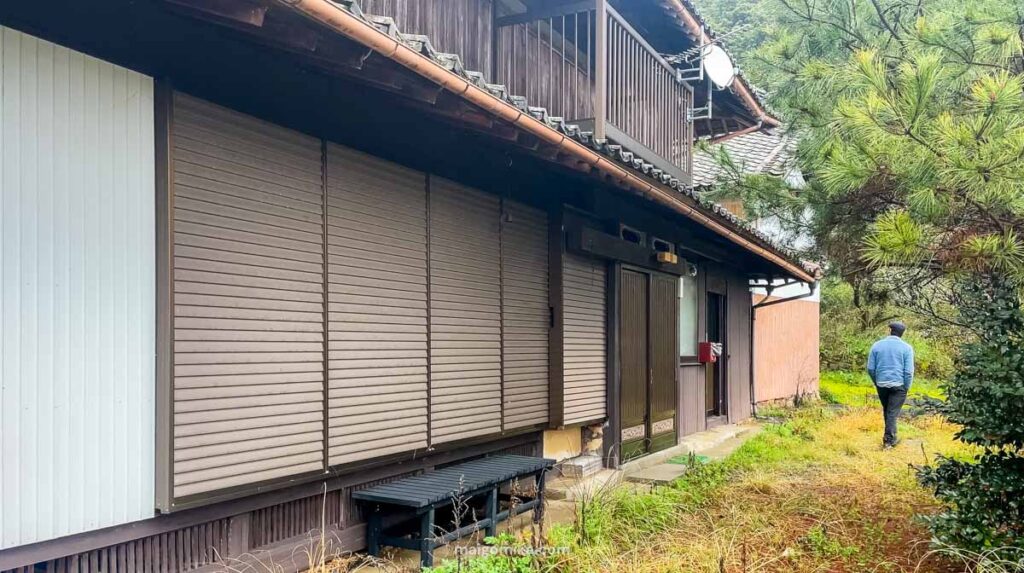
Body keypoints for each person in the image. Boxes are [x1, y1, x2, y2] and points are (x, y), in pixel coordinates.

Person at [866, 321, 914, 448]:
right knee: (892, 412)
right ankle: (889, 441)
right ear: (902, 333)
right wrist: (906, 386)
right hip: (899, 385)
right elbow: (908, 372)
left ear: (889, 331)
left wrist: (877, 381)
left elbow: (870, 368)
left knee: (888, 410)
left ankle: (891, 437)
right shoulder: (907, 348)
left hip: (881, 383)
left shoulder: (877, 345)